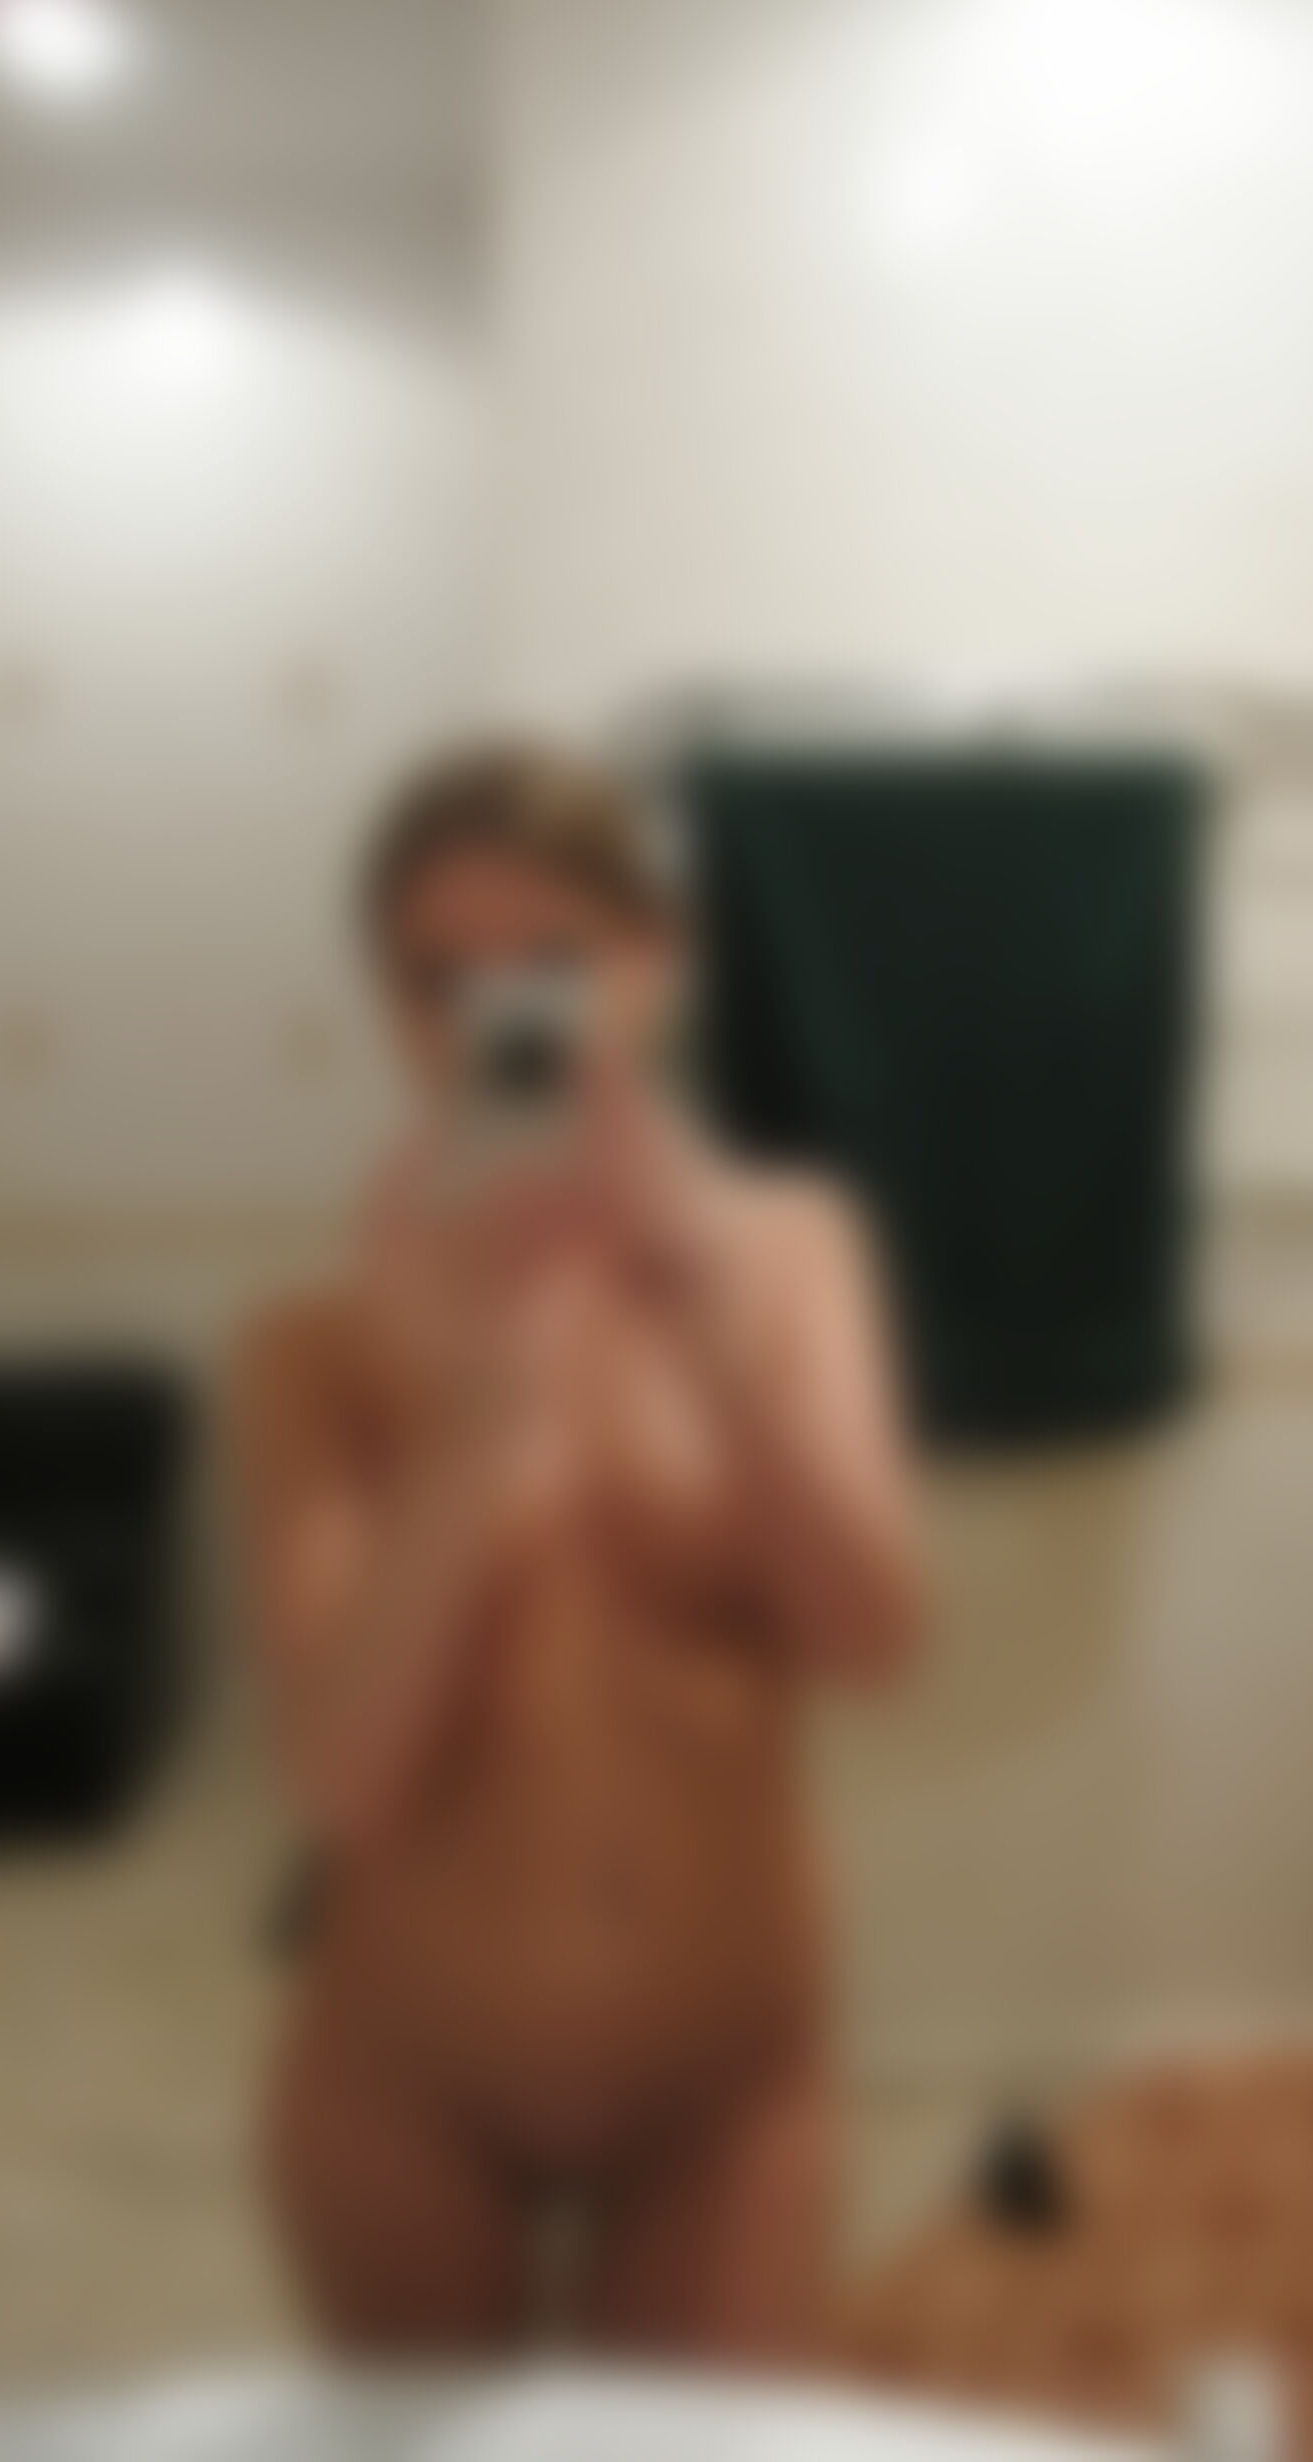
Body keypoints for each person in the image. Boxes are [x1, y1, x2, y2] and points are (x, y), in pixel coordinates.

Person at [236, 738, 924, 2360]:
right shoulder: (308, 1346)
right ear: (389, 1009)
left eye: (552, 960)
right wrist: (474, 1409)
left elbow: (874, 1637)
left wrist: (700, 1299)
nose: (498, 1017)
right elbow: (341, 1780)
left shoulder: (796, 1256)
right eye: (436, 979)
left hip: (728, 2074)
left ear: (658, 962)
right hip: (405, 2079)